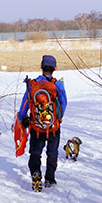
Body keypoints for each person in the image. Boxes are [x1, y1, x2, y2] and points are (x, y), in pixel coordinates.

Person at [17, 55, 68, 191]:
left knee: (35, 152)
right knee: (52, 153)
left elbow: (25, 105)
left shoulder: (32, 85)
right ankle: (50, 179)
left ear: (41, 66)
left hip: (36, 127)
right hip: (53, 127)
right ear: (55, 68)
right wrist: (57, 117)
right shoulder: (58, 85)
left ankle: (36, 173)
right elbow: (63, 104)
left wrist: (22, 118)